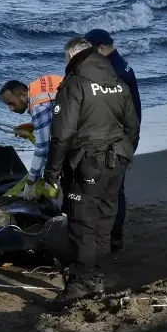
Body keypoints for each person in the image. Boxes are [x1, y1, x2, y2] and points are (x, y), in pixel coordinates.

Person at [44, 37, 139, 307]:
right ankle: (96, 277)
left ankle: (80, 283)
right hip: (116, 161)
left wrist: (51, 174)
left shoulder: (74, 85)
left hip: (89, 162)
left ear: (72, 56)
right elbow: (132, 126)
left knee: (82, 224)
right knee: (104, 223)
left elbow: (61, 136)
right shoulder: (117, 82)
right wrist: (124, 154)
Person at [84, 29, 141, 253]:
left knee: (111, 191)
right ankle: (112, 237)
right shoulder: (122, 66)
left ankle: (111, 238)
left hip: (115, 140)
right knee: (114, 190)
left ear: (100, 48)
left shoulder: (112, 72)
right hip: (126, 135)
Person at [0, 75, 64, 202]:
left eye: (11, 103)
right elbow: (58, 112)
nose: (10, 109)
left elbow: (42, 149)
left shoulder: (38, 105)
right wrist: (34, 126)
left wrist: (31, 182)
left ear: (23, 95)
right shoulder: (37, 87)